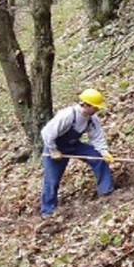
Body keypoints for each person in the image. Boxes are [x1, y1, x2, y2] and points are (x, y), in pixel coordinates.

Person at [40, 88, 115, 219]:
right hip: (55, 147)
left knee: (98, 158)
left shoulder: (92, 119)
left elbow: (97, 137)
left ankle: (106, 191)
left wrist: (104, 152)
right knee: (52, 180)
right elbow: (47, 133)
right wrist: (53, 150)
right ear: (86, 105)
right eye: (95, 107)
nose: (97, 110)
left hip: (74, 145)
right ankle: (48, 210)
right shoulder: (67, 115)